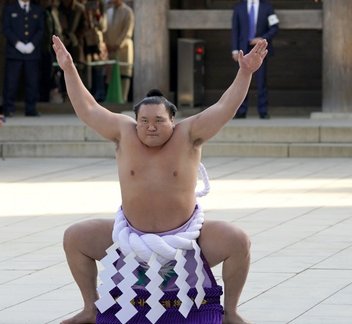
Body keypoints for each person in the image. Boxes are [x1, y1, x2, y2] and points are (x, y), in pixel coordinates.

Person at [53, 35, 268, 324]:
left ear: (173, 121)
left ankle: (230, 312)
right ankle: (91, 308)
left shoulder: (189, 134)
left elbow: (223, 107)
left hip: (186, 237)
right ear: (135, 120)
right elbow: (89, 109)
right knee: (75, 237)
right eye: (144, 121)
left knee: (238, 241)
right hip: (130, 236)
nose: (150, 127)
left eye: (158, 121)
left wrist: (245, 72)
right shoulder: (123, 133)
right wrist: (69, 70)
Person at [231, 0, 279, 119]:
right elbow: (235, 30)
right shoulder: (239, 8)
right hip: (243, 50)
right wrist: (234, 50)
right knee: (241, 81)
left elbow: (275, 27)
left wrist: (263, 38)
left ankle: (263, 111)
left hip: (260, 49)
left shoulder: (267, 7)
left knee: (261, 81)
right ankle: (241, 111)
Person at [2, 0, 45, 117]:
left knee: (32, 82)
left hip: (32, 52)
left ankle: (31, 109)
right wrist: (17, 44)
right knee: (11, 82)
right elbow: (6, 29)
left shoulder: (37, 10)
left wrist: (32, 44)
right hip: (14, 52)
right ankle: (8, 108)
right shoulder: (9, 9)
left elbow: (41, 30)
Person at [103, 0, 134, 103]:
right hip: (110, 49)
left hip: (123, 48)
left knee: (124, 74)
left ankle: (123, 100)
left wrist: (117, 44)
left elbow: (127, 31)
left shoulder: (128, 12)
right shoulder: (108, 12)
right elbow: (105, 30)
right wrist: (107, 43)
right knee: (110, 75)